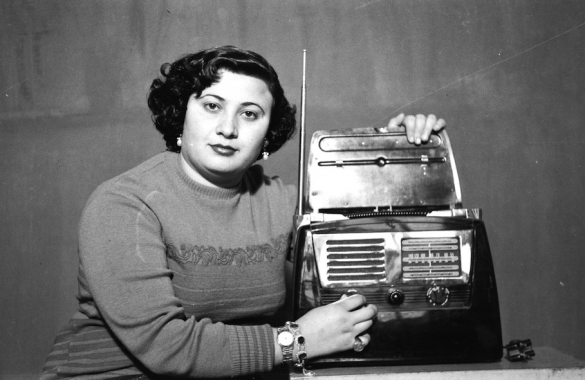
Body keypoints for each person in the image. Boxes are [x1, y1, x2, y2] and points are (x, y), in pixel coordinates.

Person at [41, 45, 446, 380]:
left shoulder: (281, 201)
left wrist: (400, 154)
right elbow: (166, 348)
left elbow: (365, 242)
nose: (228, 128)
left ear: (267, 137)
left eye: (249, 114)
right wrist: (297, 340)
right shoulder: (124, 202)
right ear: (180, 114)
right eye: (212, 106)